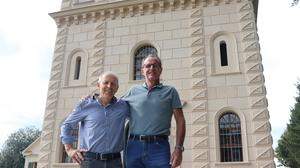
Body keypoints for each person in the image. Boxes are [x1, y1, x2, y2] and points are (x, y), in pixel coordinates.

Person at [123, 54, 186, 168]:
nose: (151, 68)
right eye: (148, 66)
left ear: (160, 70)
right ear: (142, 70)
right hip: (134, 146)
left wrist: (179, 149)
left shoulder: (170, 92)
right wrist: (92, 99)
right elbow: (113, 106)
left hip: (159, 148)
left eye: (155, 66)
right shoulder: (133, 91)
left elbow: (180, 121)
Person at [60, 72, 129, 168]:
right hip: (90, 162)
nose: (109, 86)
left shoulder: (123, 106)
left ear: (117, 88)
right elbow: (66, 125)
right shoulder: (85, 105)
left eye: (113, 84)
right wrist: (69, 149)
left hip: (115, 162)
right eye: (106, 82)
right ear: (98, 85)